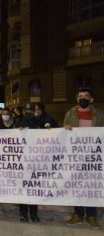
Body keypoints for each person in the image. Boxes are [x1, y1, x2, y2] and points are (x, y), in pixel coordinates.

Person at [64, 88, 104, 230]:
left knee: (92, 186)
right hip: (76, 156)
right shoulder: (70, 113)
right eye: (81, 96)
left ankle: (91, 216)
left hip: (94, 156)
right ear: (77, 99)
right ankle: (78, 214)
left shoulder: (99, 114)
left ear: (91, 99)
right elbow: (64, 133)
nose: (83, 98)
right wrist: (66, 128)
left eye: (86, 96)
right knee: (77, 185)